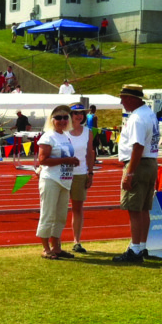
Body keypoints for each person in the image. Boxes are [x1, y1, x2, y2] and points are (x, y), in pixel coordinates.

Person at [114, 84, 158, 263]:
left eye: (123, 98)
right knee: (144, 208)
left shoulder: (137, 118)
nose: (122, 101)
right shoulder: (149, 114)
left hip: (139, 164)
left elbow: (137, 146)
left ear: (132, 98)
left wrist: (129, 173)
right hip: (150, 162)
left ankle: (135, 249)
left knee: (134, 208)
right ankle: (142, 246)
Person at [36, 105, 79, 259]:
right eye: (58, 118)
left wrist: (72, 162)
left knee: (60, 216)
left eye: (65, 117)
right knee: (48, 214)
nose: (62, 120)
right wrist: (67, 160)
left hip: (65, 181)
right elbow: (42, 160)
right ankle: (45, 248)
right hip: (51, 180)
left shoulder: (66, 136)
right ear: (52, 120)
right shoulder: (48, 137)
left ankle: (57, 247)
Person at [67, 104, 96, 253]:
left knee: (77, 209)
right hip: (63, 174)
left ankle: (77, 241)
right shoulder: (63, 132)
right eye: (76, 113)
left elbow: (90, 153)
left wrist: (90, 173)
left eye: (81, 113)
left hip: (80, 174)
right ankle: (55, 241)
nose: (79, 116)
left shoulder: (87, 132)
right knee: (59, 209)